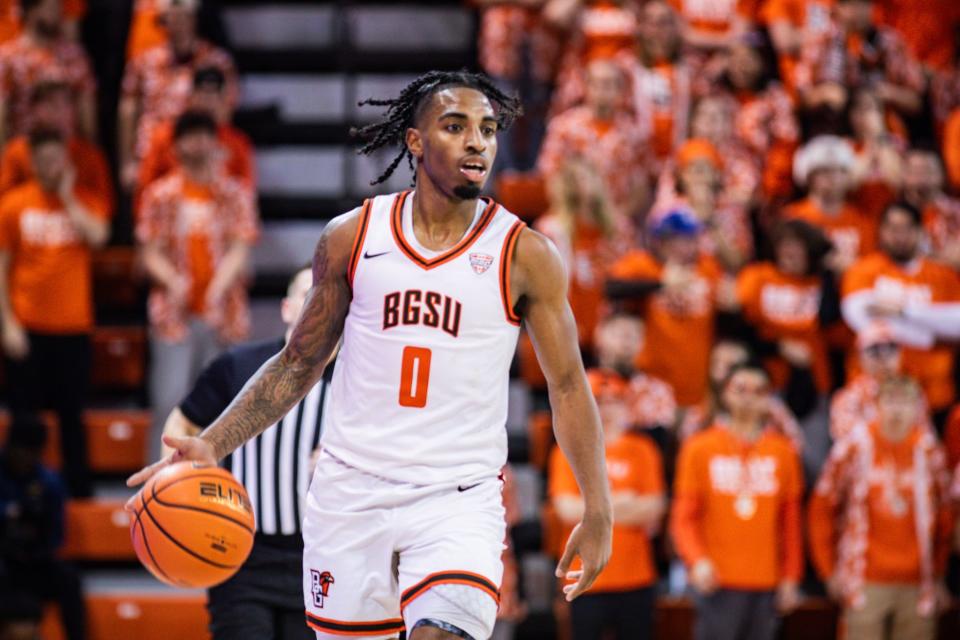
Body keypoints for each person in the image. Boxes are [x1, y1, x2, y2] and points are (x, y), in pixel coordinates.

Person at [128, 70, 613, 640]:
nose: (477, 141)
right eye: (455, 127)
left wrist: (598, 506)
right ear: (415, 141)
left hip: (455, 496)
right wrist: (214, 441)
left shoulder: (525, 254)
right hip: (350, 494)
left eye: (487, 128)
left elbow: (568, 385)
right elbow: (298, 362)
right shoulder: (351, 237)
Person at [159, 266, 327, 640]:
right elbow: (182, 425)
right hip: (240, 552)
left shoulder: (359, 376)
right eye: (307, 295)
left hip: (320, 560)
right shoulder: (239, 366)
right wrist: (179, 484)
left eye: (326, 295)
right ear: (286, 309)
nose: (318, 304)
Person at [137, 110, 259, 461]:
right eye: (190, 136)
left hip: (225, 314)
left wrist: (219, 285)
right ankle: (158, 484)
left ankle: (220, 482)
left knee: (225, 405)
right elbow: (149, 251)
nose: (198, 143)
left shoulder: (232, 192)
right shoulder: (160, 194)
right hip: (174, 316)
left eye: (205, 135)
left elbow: (241, 243)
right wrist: (173, 280)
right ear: (175, 146)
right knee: (169, 401)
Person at [0, 127, 111, 498]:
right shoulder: (13, 204)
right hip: (27, 327)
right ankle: (14, 493)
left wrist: (66, 197)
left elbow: (98, 237)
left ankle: (79, 494)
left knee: (72, 419)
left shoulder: (83, 199)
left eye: (56, 159)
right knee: (24, 420)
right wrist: (7, 323)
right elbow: (2, 267)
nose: (50, 166)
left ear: (67, 161)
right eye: (43, 159)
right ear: (31, 162)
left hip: (73, 329)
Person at [808, 375, 954, 640]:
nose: (897, 409)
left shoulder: (929, 451)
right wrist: (827, 570)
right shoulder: (853, 447)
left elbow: (946, 517)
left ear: (918, 408)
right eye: (890, 400)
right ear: (876, 405)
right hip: (864, 578)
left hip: (918, 582)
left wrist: (940, 573)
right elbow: (821, 508)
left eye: (906, 401)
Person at [671, 363, 804, 640]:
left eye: (759, 390)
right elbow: (684, 516)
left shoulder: (783, 451)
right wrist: (696, 561)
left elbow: (790, 521)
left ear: (769, 398)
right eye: (740, 388)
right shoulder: (699, 447)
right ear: (725, 394)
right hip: (716, 578)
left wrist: (791, 576)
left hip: (766, 580)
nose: (749, 397)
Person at [549, 371, 665, 639]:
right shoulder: (567, 449)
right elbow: (566, 509)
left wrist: (593, 508)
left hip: (636, 576)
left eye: (616, 400)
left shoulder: (643, 449)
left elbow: (654, 507)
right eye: (599, 400)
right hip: (583, 578)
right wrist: (622, 502)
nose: (607, 407)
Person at [841, 202, 960, 423]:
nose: (900, 236)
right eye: (892, 228)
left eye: (907, 228)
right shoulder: (864, 270)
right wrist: (930, 337)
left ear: (920, 231)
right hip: (873, 396)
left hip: (935, 392)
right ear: (881, 231)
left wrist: (904, 312)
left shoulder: (943, 275)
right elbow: (859, 317)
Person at [607, 209, 722, 410]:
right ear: (661, 242)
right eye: (681, 240)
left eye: (692, 239)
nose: (689, 247)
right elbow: (611, 288)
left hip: (696, 384)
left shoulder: (707, 268)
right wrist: (660, 284)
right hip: (651, 383)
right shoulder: (645, 265)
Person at [119, 0, 237, 190]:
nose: (178, 23)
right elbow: (128, 107)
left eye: (184, 16)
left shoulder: (216, 61)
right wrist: (127, 161)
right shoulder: (144, 61)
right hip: (153, 151)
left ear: (193, 18)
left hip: (200, 150)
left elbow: (227, 108)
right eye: (172, 17)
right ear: (163, 21)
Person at [0, 414, 85, 640]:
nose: (25, 458)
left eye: (32, 452)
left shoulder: (49, 482)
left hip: (33, 561)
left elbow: (57, 537)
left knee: (68, 578)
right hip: (3, 563)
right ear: (10, 446)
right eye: (21, 450)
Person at [735, 219, 833, 413]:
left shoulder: (821, 284)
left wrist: (830, 273)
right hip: (763, 385)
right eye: (785, 245)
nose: (791, 253)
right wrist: (779, 346)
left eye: (799, 247)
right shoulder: (757, 277)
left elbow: (832, 322)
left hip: (813, 384)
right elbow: (742, 329)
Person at [538, 58, 649, 226]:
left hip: (615, 220)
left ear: (621, 90)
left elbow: (641, 186)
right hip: (572, 220)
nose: (602, 90)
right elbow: (550, 175)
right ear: (586, 87)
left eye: (609, 84)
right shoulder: (564, 128)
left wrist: (617, 218)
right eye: (596, 83)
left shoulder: (634, 134)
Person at [136, 65, 255, 213]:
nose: (208, 100)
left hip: (220, 223)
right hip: (171, 220)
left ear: (224, 99)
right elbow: (145, 190)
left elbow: (247, 196)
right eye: (202, 93)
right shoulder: (163, 136)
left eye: (214, 94)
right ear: (190, 96)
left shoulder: (237, 143)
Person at [0, 81, 114, 212]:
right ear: (35, 110)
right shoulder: (16, 151)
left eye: (66, 104)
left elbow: (104, 208)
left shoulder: (89, 154)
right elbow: (3, 202)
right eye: (52, 104)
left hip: (76, 224)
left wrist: (68, 198)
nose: (60, 112)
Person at [0, 0, 96, 145]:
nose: (57, 13)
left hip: (66, 151)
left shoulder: (74, 56)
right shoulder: (9, 58)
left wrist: (89, 146)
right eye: (50, 7)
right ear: (31, 11)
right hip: (24, 152)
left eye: (58, 7)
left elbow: (86, 110)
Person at [785, 135, 875, 275]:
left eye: (839, 171)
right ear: (809, 176)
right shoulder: (792, 217)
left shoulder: (863, 221)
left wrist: (852, 267)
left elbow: (871, 266)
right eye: (824, 171)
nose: (832, 177)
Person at [619, 0, 690, 171]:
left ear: (676, 28)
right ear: (640, 27)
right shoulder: (624, 66)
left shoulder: (692, 68)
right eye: (650, 22)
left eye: (663, 22)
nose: (656, 29)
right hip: (634, 163)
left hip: (679, 164)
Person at [900, 148, 960, 272]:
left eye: (928, 171)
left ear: (942, 174)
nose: (921, 178)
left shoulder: (955, 212)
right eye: (915, 171)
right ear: (904, 175)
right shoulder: (894, 215)